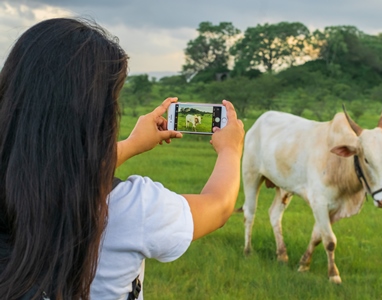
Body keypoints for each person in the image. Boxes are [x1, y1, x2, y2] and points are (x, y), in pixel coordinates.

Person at [0, 17, 244, 300]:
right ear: (97, 118)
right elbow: (220, 206)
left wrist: (131, 145)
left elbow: (62, 167)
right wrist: (230, 150)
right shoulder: (132, 208)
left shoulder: (16, 182)